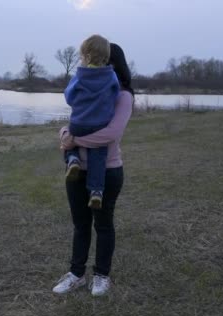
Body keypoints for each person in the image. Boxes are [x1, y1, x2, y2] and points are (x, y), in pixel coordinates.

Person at [53, 43, 134, 296]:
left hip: (108, 171)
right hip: (76, 172)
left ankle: (101, 275)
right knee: (80, 225)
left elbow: (111, 134)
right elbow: (74, 122)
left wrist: (73, 140)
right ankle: (76, 274)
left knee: (104, 225)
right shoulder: (88, 90)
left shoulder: (122, 95)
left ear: (112, 62)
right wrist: (65, 133)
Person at [64, 34, 120, 210]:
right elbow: (115, 95)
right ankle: (96, 191)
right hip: (99, 124)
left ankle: (72, 160)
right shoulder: (111, 76)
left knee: (70, 142)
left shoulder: (80, 76)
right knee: (98, 154)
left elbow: (69, 96)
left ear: (86, 56)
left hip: (79, 123)